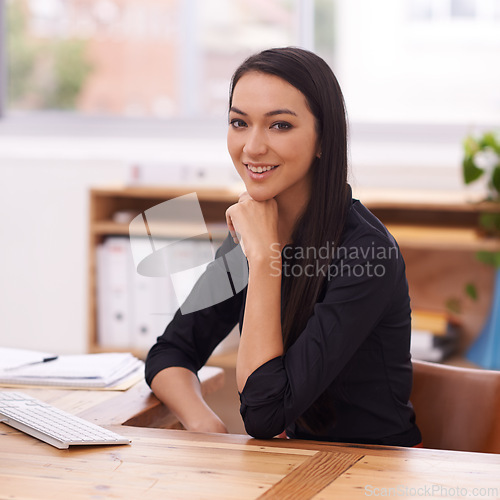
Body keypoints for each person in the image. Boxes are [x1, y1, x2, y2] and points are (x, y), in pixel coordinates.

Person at [145, 47, 422, 447]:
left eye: (279, 126)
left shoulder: (365, 253)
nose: (253, 147)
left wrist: (263, 260)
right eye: (239, 122)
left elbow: (264, 414)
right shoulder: (255, 231)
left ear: (323, 139)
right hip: (292, 463)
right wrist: (204, 423)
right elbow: (171, 351)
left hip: (371, 470)